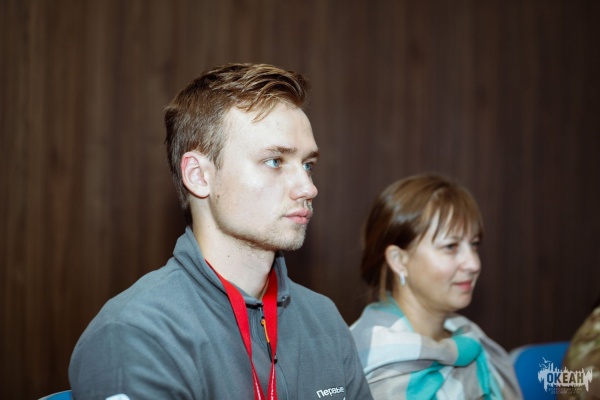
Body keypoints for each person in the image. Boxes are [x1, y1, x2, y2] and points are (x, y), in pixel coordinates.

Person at [69, 63, 372, 399]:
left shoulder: (324, 319)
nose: (308, 188)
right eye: (275, 161)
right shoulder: (136, 334)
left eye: (308, 165)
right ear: (199, 176)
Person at [350, 173, 521, 399]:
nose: (473, 264)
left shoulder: (469, 337)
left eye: (474, 245)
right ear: (399, 260)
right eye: (450, 246)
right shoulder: (371, 357)